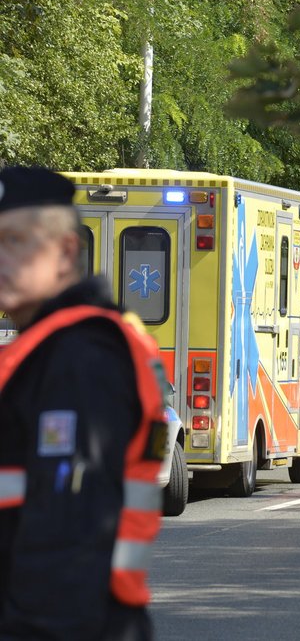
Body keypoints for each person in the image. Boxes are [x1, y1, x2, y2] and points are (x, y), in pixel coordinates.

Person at [0, 166, 167, 639]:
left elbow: (67, 535)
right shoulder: (48, 350)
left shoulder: (80, 357)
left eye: (15, 241)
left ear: (65, 252)